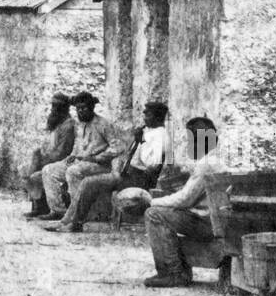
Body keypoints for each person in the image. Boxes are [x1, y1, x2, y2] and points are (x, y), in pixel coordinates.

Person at [47, 100, 172, 233]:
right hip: (130, 174)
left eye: (148, 115)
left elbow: (151, 166)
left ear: (157, 117)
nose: (144, 118)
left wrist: (140, 141)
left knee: (89, 183)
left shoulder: (161, 135)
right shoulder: (150, 132)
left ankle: (74, 223)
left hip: (140, 178)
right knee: (87, 181)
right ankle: (68, 221)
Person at [142, 116, 225, 288]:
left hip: (209, 223)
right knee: (166, 211)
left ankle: (173, 273)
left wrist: (152, 201)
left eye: (189, 140)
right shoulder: (217, 158)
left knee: (154, 214)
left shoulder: (206, 165)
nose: (187, 145)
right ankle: (178, 271)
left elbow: (185, 199)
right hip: (221, 220)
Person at [37, 91, 119, 222]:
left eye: (84, 108)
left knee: (73, 172)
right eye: (78, 109)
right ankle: (59, 210)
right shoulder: (80, 125)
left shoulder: (103, 124)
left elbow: (116, 148)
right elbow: (77, 145)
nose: (81, 112)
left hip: (99, 165)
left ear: (91, 108)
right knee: (49, 170)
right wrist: (72, 155)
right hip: (79, 162)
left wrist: (97, 157)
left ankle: (78, 214)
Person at [24, 92, 76, 218]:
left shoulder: (68, 126)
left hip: (61, 162)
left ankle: (54, 210)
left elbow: (62, 153)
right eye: (53, 106)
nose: (53, 109)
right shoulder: (56, 124)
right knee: (24, 170)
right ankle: (38, 206)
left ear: (64, 108)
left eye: (57, 106)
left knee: (36, 175)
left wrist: (43, 161)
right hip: (50, 159)